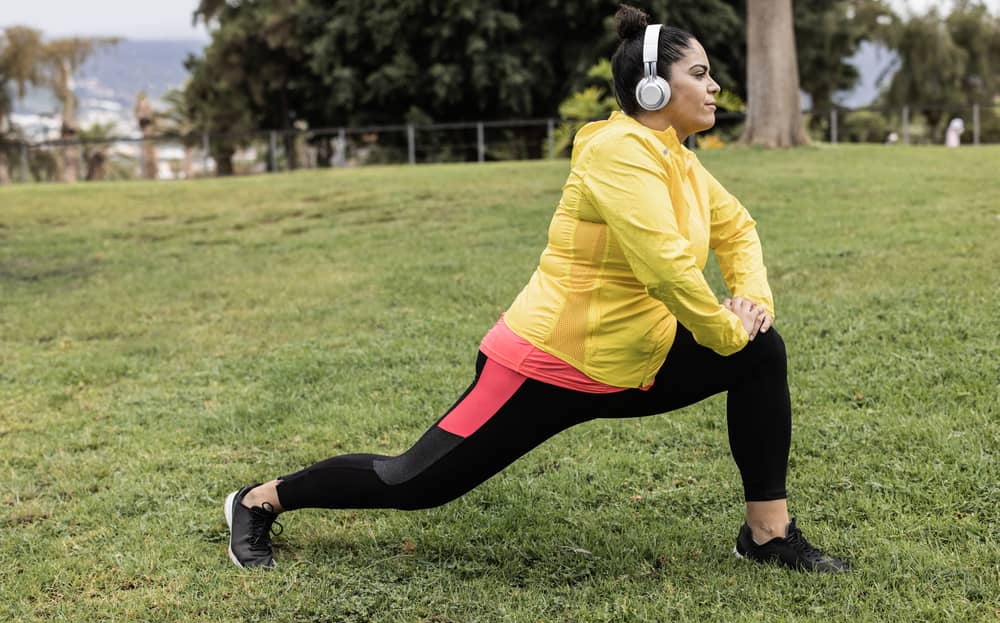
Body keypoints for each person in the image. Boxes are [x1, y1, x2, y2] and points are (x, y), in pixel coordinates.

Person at [224, 4, 849, 573]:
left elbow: (736, 227)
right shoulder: (618, 152)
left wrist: (754, 308)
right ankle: (260, 500)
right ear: (654, 86)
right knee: (413, 483)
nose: (714, 87)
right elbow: (665, 266)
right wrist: (722, 328)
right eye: (701, 73)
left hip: (636, 358)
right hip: (547, 363)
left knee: (760, 353)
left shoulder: (677, 157)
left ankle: (767, 535)